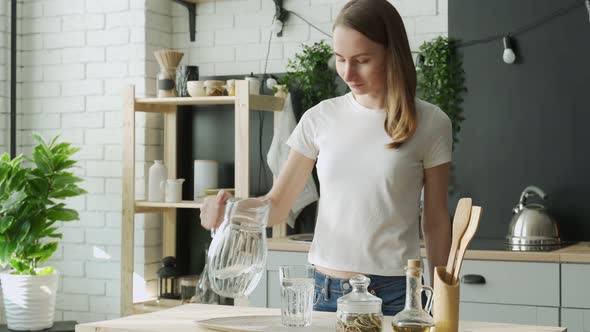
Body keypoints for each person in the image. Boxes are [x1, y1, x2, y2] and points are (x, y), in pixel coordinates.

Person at [200, 0, 452, 316]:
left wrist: (442, 294)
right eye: (341, 59)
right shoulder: (319, 118)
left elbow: (436, 220)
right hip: (325, 290)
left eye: (362, 60)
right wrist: (230, 210)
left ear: (392, 55)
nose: (348, 72)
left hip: (397, 294)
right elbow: (277, 206)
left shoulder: (431, 123)